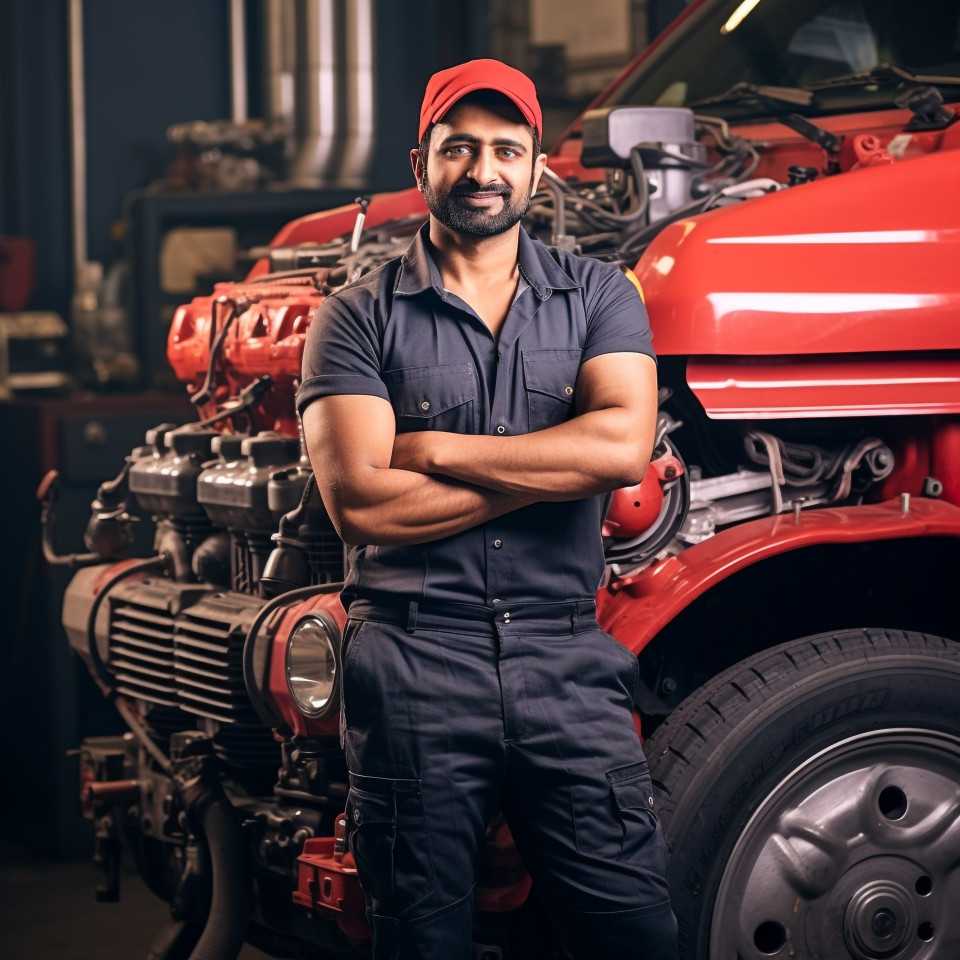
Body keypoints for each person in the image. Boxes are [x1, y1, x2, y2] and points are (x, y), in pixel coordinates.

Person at [298, 58, 678, 960]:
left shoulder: (599, 296)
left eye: (506, 149)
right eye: (458, 147)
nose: (482, 170)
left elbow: (620, 451)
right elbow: (362, 504)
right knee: (420, 940)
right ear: (419, 162)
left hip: (565, 661)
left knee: (633, 933)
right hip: (414, 666)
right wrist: (551, 467)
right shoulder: (355, 319)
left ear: (538, 167)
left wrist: (434, 452)